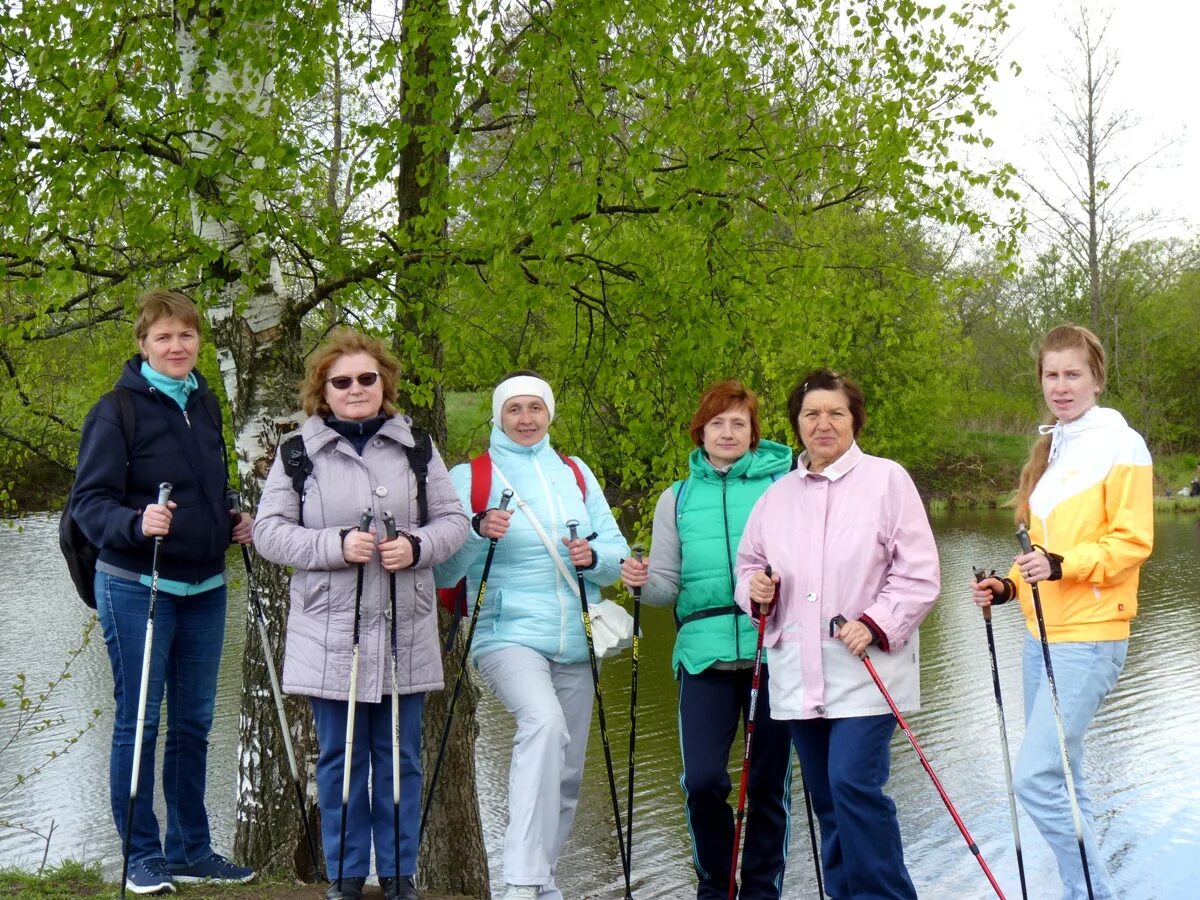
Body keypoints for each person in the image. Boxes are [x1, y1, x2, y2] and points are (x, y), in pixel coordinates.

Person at [254, 329, 469, 900]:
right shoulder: (296, 453)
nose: (355, 389)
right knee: (340, 757)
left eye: (366, 378)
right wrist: (334, 546)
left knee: (400, 757)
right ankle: (346, 878)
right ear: (324, 389)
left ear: (384, 384)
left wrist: (417, 547)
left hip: (404, 626)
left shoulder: (418, 448)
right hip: (331, 633)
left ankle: (400, 876)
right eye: (341, 380)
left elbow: (453, 521)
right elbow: (269, 534)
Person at [71, 289, 256, 894]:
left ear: (199, 341)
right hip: (136, 584)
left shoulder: (203, 403)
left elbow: (208, 485)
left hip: (205, 586)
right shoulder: (116, 410)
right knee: (139, 723)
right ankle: (141, 856)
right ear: (143, 345)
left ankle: (190, 850)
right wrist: (134, 523)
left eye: (186, 335)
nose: (177, 347)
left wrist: (232, 514)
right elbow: (89, 505)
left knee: (194, 725)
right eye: (164, 337)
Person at [734, 368, 940, 900]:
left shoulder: (887, 480)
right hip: (799, 677)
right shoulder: (776, 497)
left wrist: (875, 623)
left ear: (854, 420)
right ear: (797, 424)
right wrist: (755, 589)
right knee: (828, 799)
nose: (823, 424)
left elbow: (919, 574)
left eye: (836, 413)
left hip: (867, 672)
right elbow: (750, 567)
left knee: (854, 786)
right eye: (811, 414)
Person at [971, 324, 1152, 900]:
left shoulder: (1121, 444)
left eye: (1073, 374)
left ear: (1097, 378)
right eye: (1052, 374)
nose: (1062, 385)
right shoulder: (1055, 445)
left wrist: (1061, 564)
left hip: (1091, 636)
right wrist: (1007, 586)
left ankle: (1091, 893)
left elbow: (1131, 542)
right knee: (1067, 781)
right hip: (1040, 633)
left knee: (1036, 778)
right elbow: (1039, 558)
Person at [434, 371, 629, 900]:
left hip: (578, 637)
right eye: (514, 409)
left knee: (566, 773)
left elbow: (617, 556)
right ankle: (519, 882)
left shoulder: (576, 473)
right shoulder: (467, 476)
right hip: (505, 632)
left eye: (535, 408)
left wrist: (595, 559)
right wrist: (477, 532)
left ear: (549, 414)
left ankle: (542, 878)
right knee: (542, 725)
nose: (526, 419)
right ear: (498, 416)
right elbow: (440, 572)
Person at [619, 380, 794, 900]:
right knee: (702, 782)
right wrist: (640, 580)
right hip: (702, 655)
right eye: (718, 422)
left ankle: (763, 889)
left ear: (754, 433)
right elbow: (665, 587)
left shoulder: (784, 486)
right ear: (701, 431)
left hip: (774, 649)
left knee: (766, 786)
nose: (728, 432)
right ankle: (715, 886)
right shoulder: (676, 498)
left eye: (739, 422)